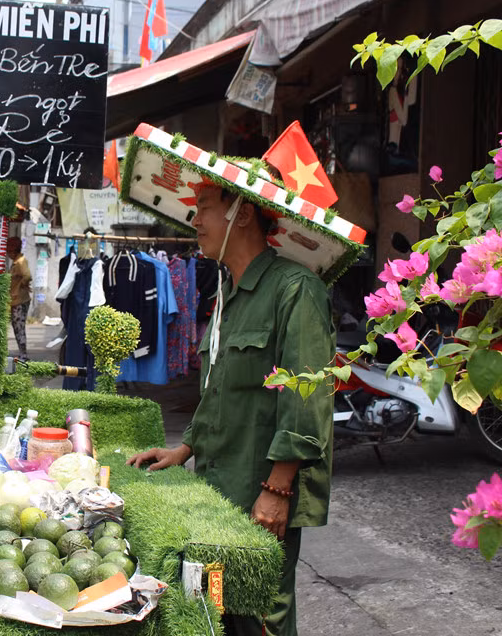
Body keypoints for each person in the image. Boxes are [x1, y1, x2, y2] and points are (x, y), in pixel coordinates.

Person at [119, 124, 367, 636]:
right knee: (218, 607)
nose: (195, 218)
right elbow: (223, 390)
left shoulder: (294, 290)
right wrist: (184, 449)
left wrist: (277, 489)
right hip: (217, 483)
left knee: (261, 618)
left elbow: (306, 399)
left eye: (206, 207)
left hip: (260, 491)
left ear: (244, 212)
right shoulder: (229, 293)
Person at [6, 236, 32, 360]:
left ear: (13, 250)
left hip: (20, 300)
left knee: (19, 327)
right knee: (17, 326)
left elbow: (27, 276)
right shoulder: (16, 262)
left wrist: (22, 286)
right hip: (16, 299)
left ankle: (24, 354)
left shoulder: (20, 262)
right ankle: (22, 353)